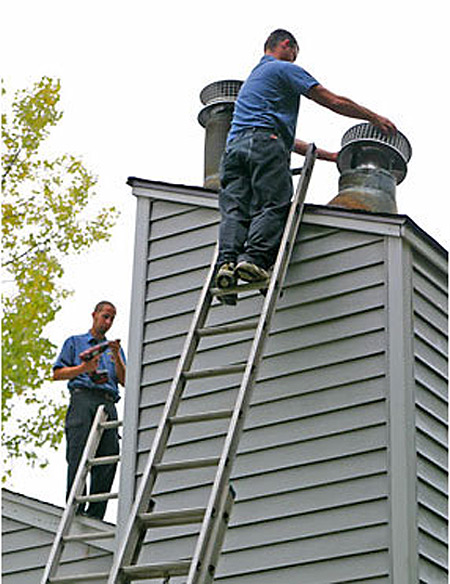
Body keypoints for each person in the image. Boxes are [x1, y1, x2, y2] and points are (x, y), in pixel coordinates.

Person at [215, 28, 396, 298]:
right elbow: (332, 100)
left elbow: (283, 140)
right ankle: (254, 259)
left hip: (234, 151)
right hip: (265, 144)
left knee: (236, 210)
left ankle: (226, 264)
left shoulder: (253, 81)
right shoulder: (282, 69)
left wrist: (329, 156)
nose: (294, 59)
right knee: (273, 202)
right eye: (294, 54)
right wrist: (373, 117)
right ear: (286, 45)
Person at [53, 301, 126, 519]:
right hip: (83, 398)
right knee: (78, 451)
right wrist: (84, 369)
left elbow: (125, 380)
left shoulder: (115, 349)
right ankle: (75, 509)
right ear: (94, 315)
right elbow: (57, 373)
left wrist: (116, 357)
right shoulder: (75, 342)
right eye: (105, 316)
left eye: (112, 318)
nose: (108, 321)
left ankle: (95, 514)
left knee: (109, 456)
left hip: (107, 401)